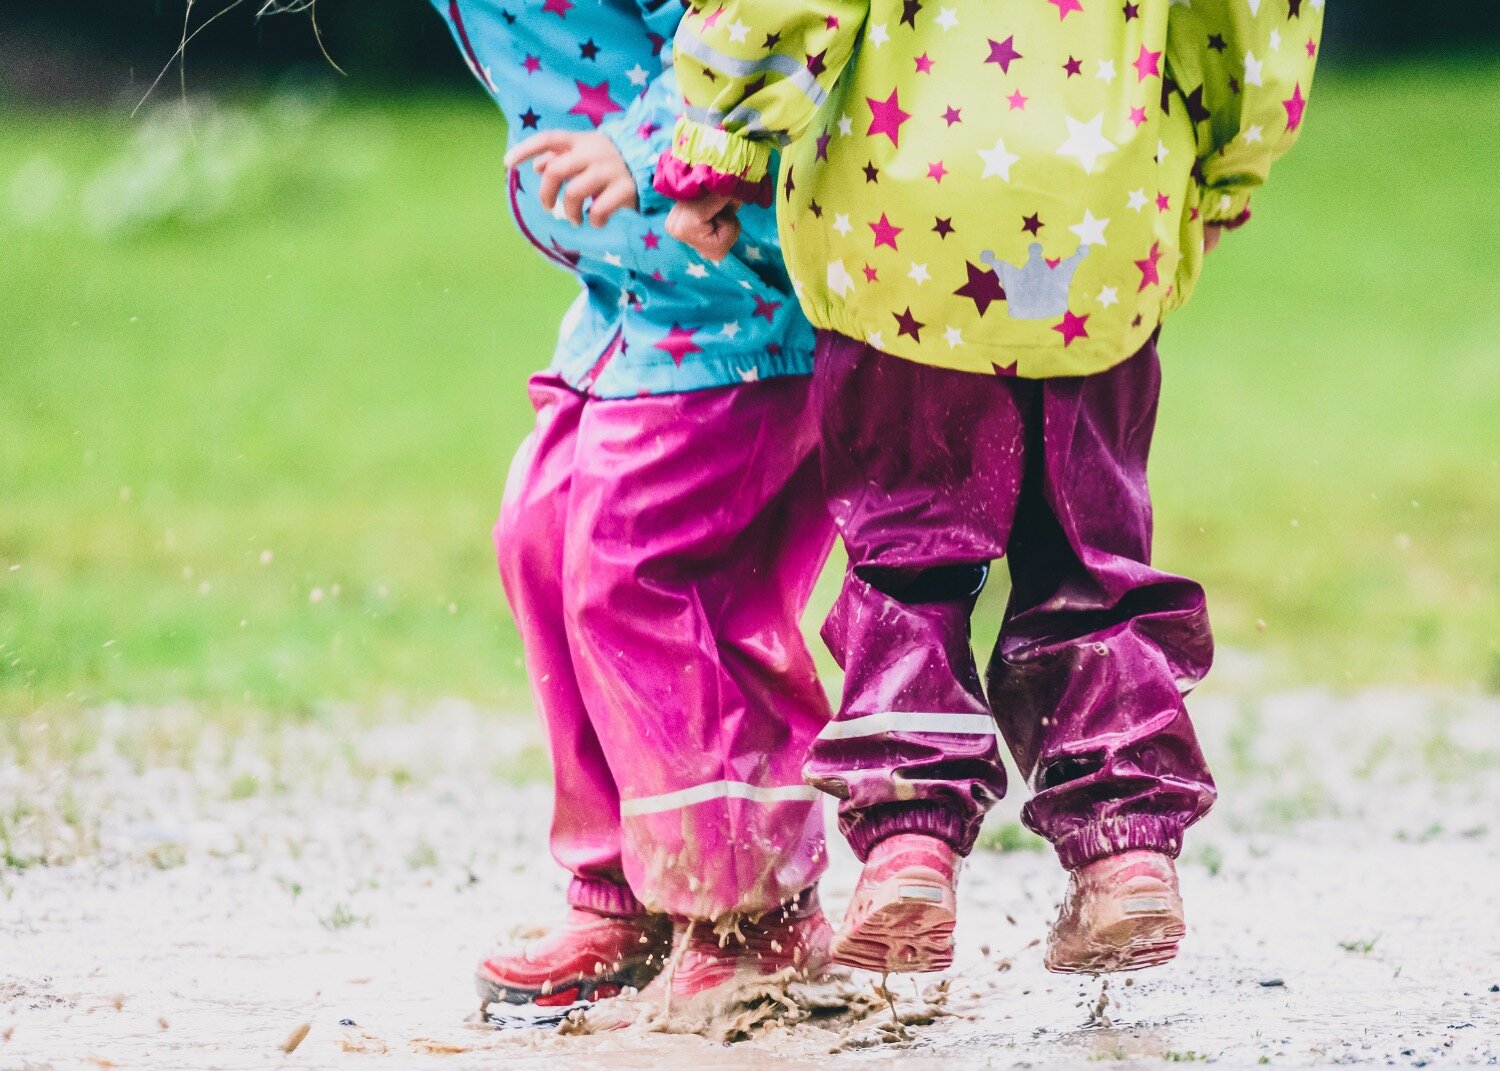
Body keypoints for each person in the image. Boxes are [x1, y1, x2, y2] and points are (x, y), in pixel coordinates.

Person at [658, 0, 1323, 975]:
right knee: (1090, 558)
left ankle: (908, 847)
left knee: (908, 550)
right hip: (1103, 225)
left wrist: (725, 133)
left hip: (907, 227)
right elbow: (1259, 17)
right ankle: (1126, 849)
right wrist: (1228, 166)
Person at [429, 0, 839, 1008]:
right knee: (542, 532)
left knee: (635, 564)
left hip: (733, 293)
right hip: (632, 297)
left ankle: (752, 911)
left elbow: (752, 19)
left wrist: (642, 141)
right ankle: (628, 887)